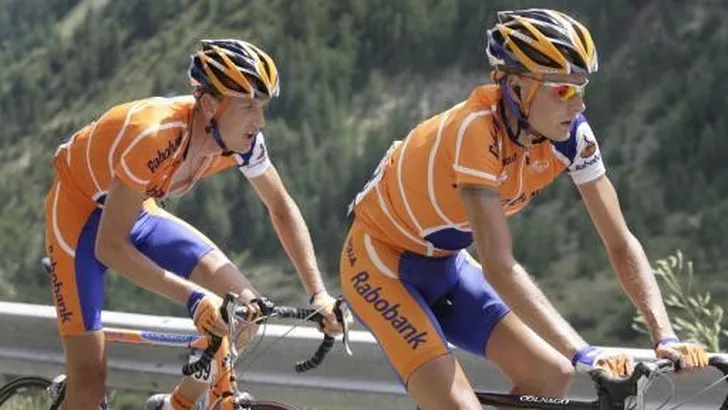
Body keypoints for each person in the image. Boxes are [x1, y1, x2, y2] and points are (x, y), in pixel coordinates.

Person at [340, 8, 708, 410]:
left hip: (446, 264)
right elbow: (499, 265)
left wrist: (664, 336)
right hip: (381, 264)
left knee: (551, 375)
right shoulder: (475, 133)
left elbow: (620, 241)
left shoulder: (571, 137)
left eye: (581, 89)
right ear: (515, 87)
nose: (578, 106)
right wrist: (583, 351)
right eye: (563, 91)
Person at [44, 39, 343, 410]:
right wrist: (194, 298)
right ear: (210, 105)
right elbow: (109, 247)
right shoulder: (155, 135)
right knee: (88, 380)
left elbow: (281, 208)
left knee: (245, 312)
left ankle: (176, 405)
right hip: (77, 215)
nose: (260, 121)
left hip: (136, 210)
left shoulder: (243, 142)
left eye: (262, 107)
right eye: (249, 106)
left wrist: (318, 294)